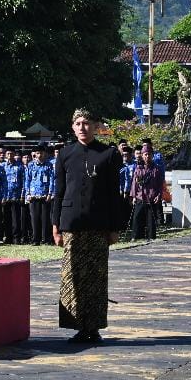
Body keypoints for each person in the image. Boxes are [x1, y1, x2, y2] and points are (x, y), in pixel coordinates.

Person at [51, 109, 125, 344]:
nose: (82, 127)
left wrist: (115, 227)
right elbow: (59, 192)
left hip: (98, 224)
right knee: (72, 276)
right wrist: (56, 224)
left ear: (96, 126)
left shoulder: (108, 154)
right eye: (78, 123)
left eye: (87, 123)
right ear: (73, 127)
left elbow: (114, 194)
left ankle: (93, 326)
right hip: (71, 223)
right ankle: (77, 325)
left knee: (95, 276)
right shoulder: (65, 154)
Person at [128, 142, 165, 241]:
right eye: (145, 154)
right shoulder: (138, 168)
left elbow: (160, 184)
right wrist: (134, 196)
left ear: (152, 155)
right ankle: (135, 236)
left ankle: (151, 237)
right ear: (142, 155)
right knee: (137, 218)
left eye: (149, 154)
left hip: (152, 197)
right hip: (140, 196)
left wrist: (159, 195)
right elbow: (134, 184)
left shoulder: (156, 169)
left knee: (151, 219)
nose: (147, 156)